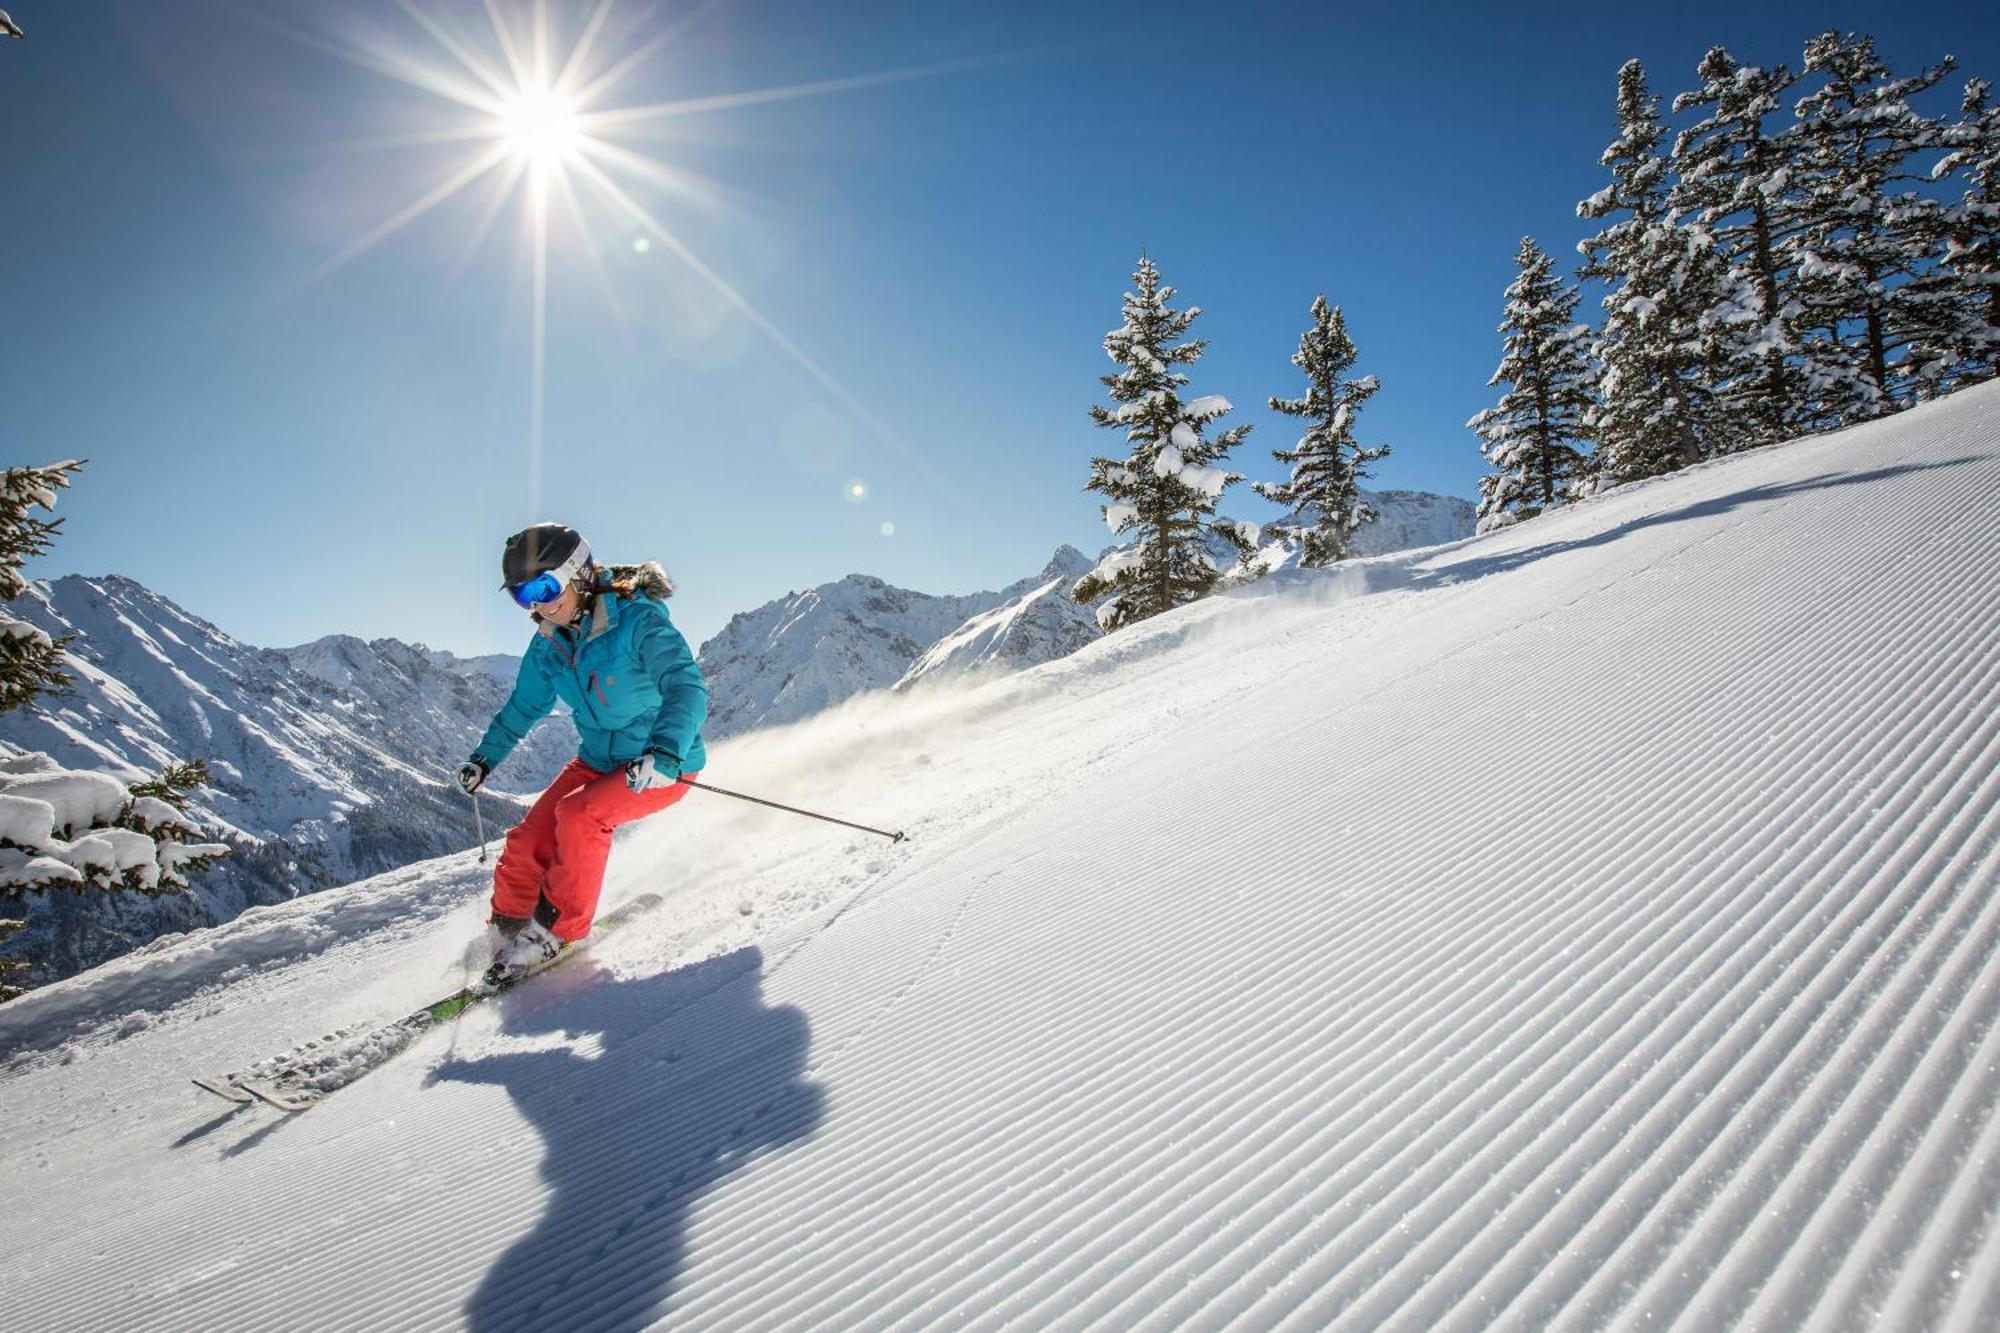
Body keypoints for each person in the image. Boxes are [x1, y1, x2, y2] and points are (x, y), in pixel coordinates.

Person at [455, 523, 709, 981]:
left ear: (579, 574)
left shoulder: (638, 621)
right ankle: (508, 927)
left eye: (545, 587)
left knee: (580, 817)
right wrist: (483, 758)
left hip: (660, 763)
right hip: (597, 760)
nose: (537, 605)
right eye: (521, 595)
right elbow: (523, 707)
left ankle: (557, 931)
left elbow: (686, 686)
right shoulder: (550, 642)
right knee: (528, 838)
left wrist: (667, 752)